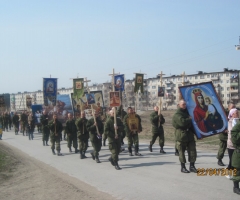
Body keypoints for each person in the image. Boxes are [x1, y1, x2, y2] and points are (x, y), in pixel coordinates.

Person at [172, 100, 197, 173]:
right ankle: (183, 167)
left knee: (192, 151)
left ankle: (192, 166)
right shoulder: (177, 114)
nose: (184, 105)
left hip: (189, 134)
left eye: (185, 104)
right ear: (179, 105)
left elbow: (192, 123)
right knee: (182, 152)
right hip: (181, 135)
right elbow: (182, 122)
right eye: (183, 104)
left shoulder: (188, 112)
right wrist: (189, 119)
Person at [226, 108, 239, 179]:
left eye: (238, 113)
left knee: (236, 161)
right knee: (232, 160)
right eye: (236, 113)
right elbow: (232, 133)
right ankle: (228, 172)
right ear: (232, 114)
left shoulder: (238, 121)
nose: (237, 114)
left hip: (237, 145)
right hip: (231, 145)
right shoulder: (230, 122)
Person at [230, 119, 240, 195]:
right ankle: (236, 187)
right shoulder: (237, 127)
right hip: (238, 153)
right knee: (237, 171)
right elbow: (234, 139)